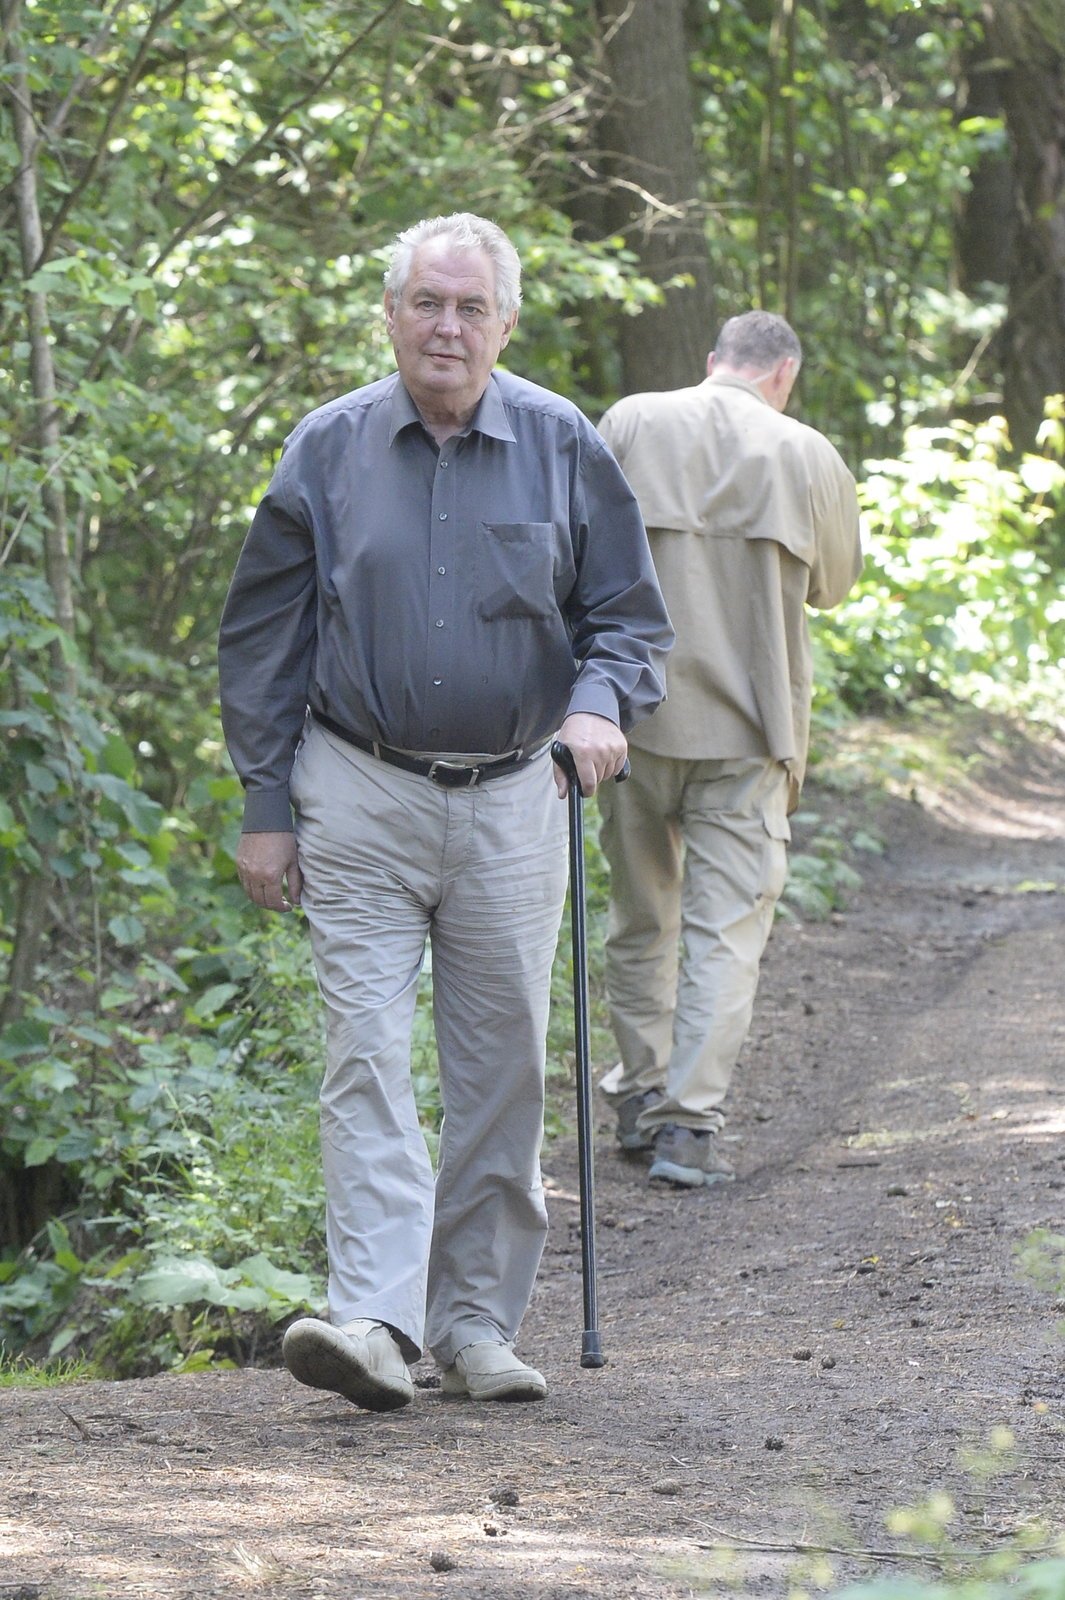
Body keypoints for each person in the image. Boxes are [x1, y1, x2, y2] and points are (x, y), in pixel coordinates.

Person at [217, 213, 673, 1411]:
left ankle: (473, 1321)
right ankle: (373, 1316)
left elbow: (628, 615)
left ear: (505, 323)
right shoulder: (327, 448)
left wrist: (597, 705)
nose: (447, 327)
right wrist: (267, 803)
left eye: (471, 308)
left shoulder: (564, 443)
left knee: (503, 1063)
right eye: (428, 302)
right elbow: (263, 640)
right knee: (363, 1052)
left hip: (520, 791)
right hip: (357, 788)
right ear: (392, 313)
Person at [595, 311, 862, 1188]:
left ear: (711, 363)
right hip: (750, 734)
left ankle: (637, 1092)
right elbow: (833, 584)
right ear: (782, 373)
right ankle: (685, 1126)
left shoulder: (632, 419)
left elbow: (576, 557)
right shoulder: (806, 453)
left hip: (630, 723)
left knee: (640, 918)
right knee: (724, 934)